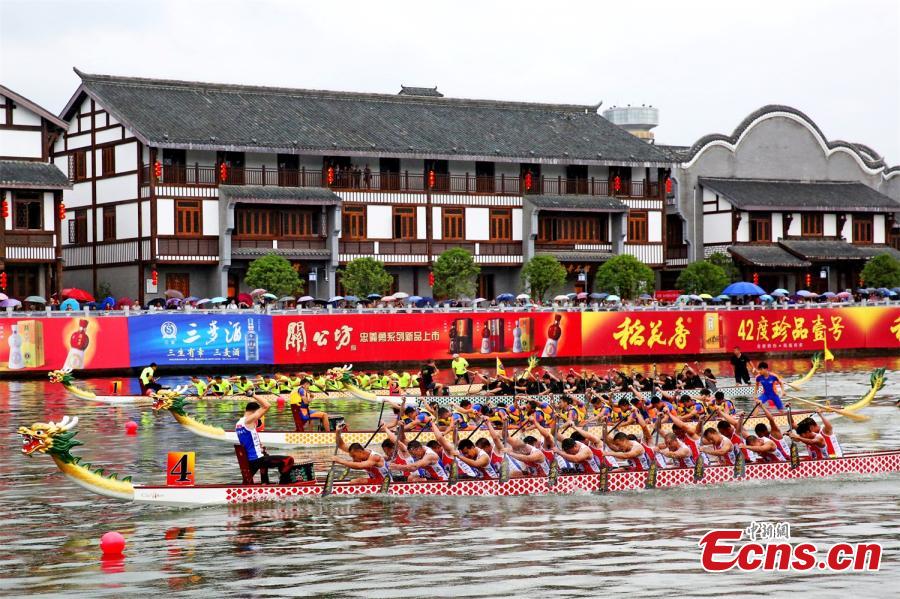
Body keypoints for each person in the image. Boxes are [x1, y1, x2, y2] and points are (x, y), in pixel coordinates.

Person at [236, 396, 294, 484]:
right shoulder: (248, 420)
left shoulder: (238, 423)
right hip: (257, 460)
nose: (259, 417)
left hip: (251, 459)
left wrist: (260, 446)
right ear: (254, 412)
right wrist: (253, 395)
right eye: (258, 414)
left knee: (265, 455)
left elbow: (249, 438)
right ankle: (284, 485)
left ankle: (265, 483)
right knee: (289, 460)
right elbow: (267, 405)